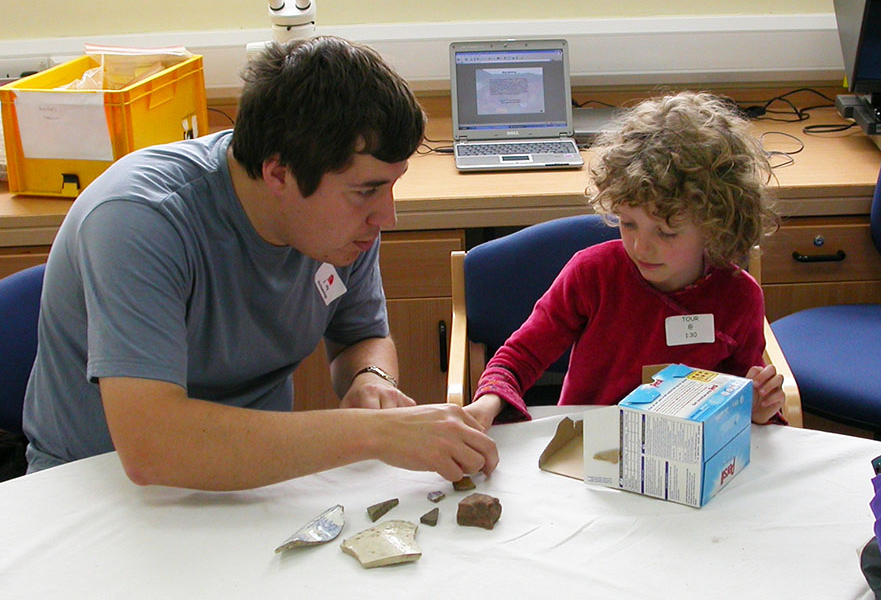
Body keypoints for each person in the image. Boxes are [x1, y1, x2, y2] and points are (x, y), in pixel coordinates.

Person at [22, 36, 498, 490]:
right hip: (97, 488)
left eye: (392, 185)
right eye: (368, 189)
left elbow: (361, 335)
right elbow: (153, 447)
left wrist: (370, 379)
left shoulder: (341, 224)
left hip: (253, 479)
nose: (386, 217)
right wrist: (377, 434)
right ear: (279, 173)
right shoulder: (141, 220)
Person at [465, 91, 786, 429]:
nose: (640, 247)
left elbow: (740, 399)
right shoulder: (592, 275)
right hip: (590, 446)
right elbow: (520, 358)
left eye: (666, 232)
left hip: (684, 453)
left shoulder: (738, 297)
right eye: (627, 223)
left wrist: (757, 408)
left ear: (715, 225)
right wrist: (489, 403)